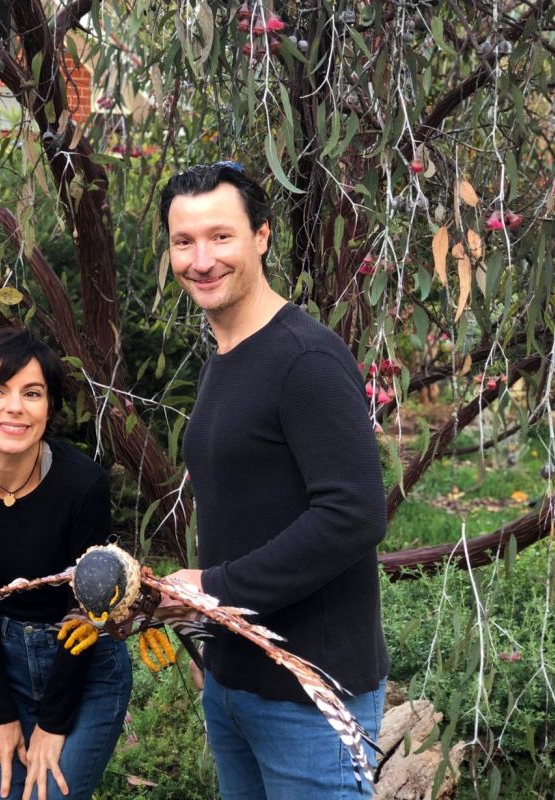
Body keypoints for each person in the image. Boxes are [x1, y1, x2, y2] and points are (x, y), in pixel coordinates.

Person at [157, 163, 389, 798]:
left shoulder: (304, 359)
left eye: (221, 237)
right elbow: (244, 510)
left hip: (309, 696)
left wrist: (214, 589)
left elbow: (354, 514)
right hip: (234, 685)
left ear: (261, 236)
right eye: (184, 242)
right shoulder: (225, 359)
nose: (201, 260)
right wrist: (210, 642)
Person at [0, 328, 132, 800]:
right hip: (1, 659)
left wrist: (53, 723)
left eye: (32, 393)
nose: (15, 407)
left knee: (48, 794)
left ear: (49, 407)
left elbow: (91, 609)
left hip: (81, 661)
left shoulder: (83, 485)